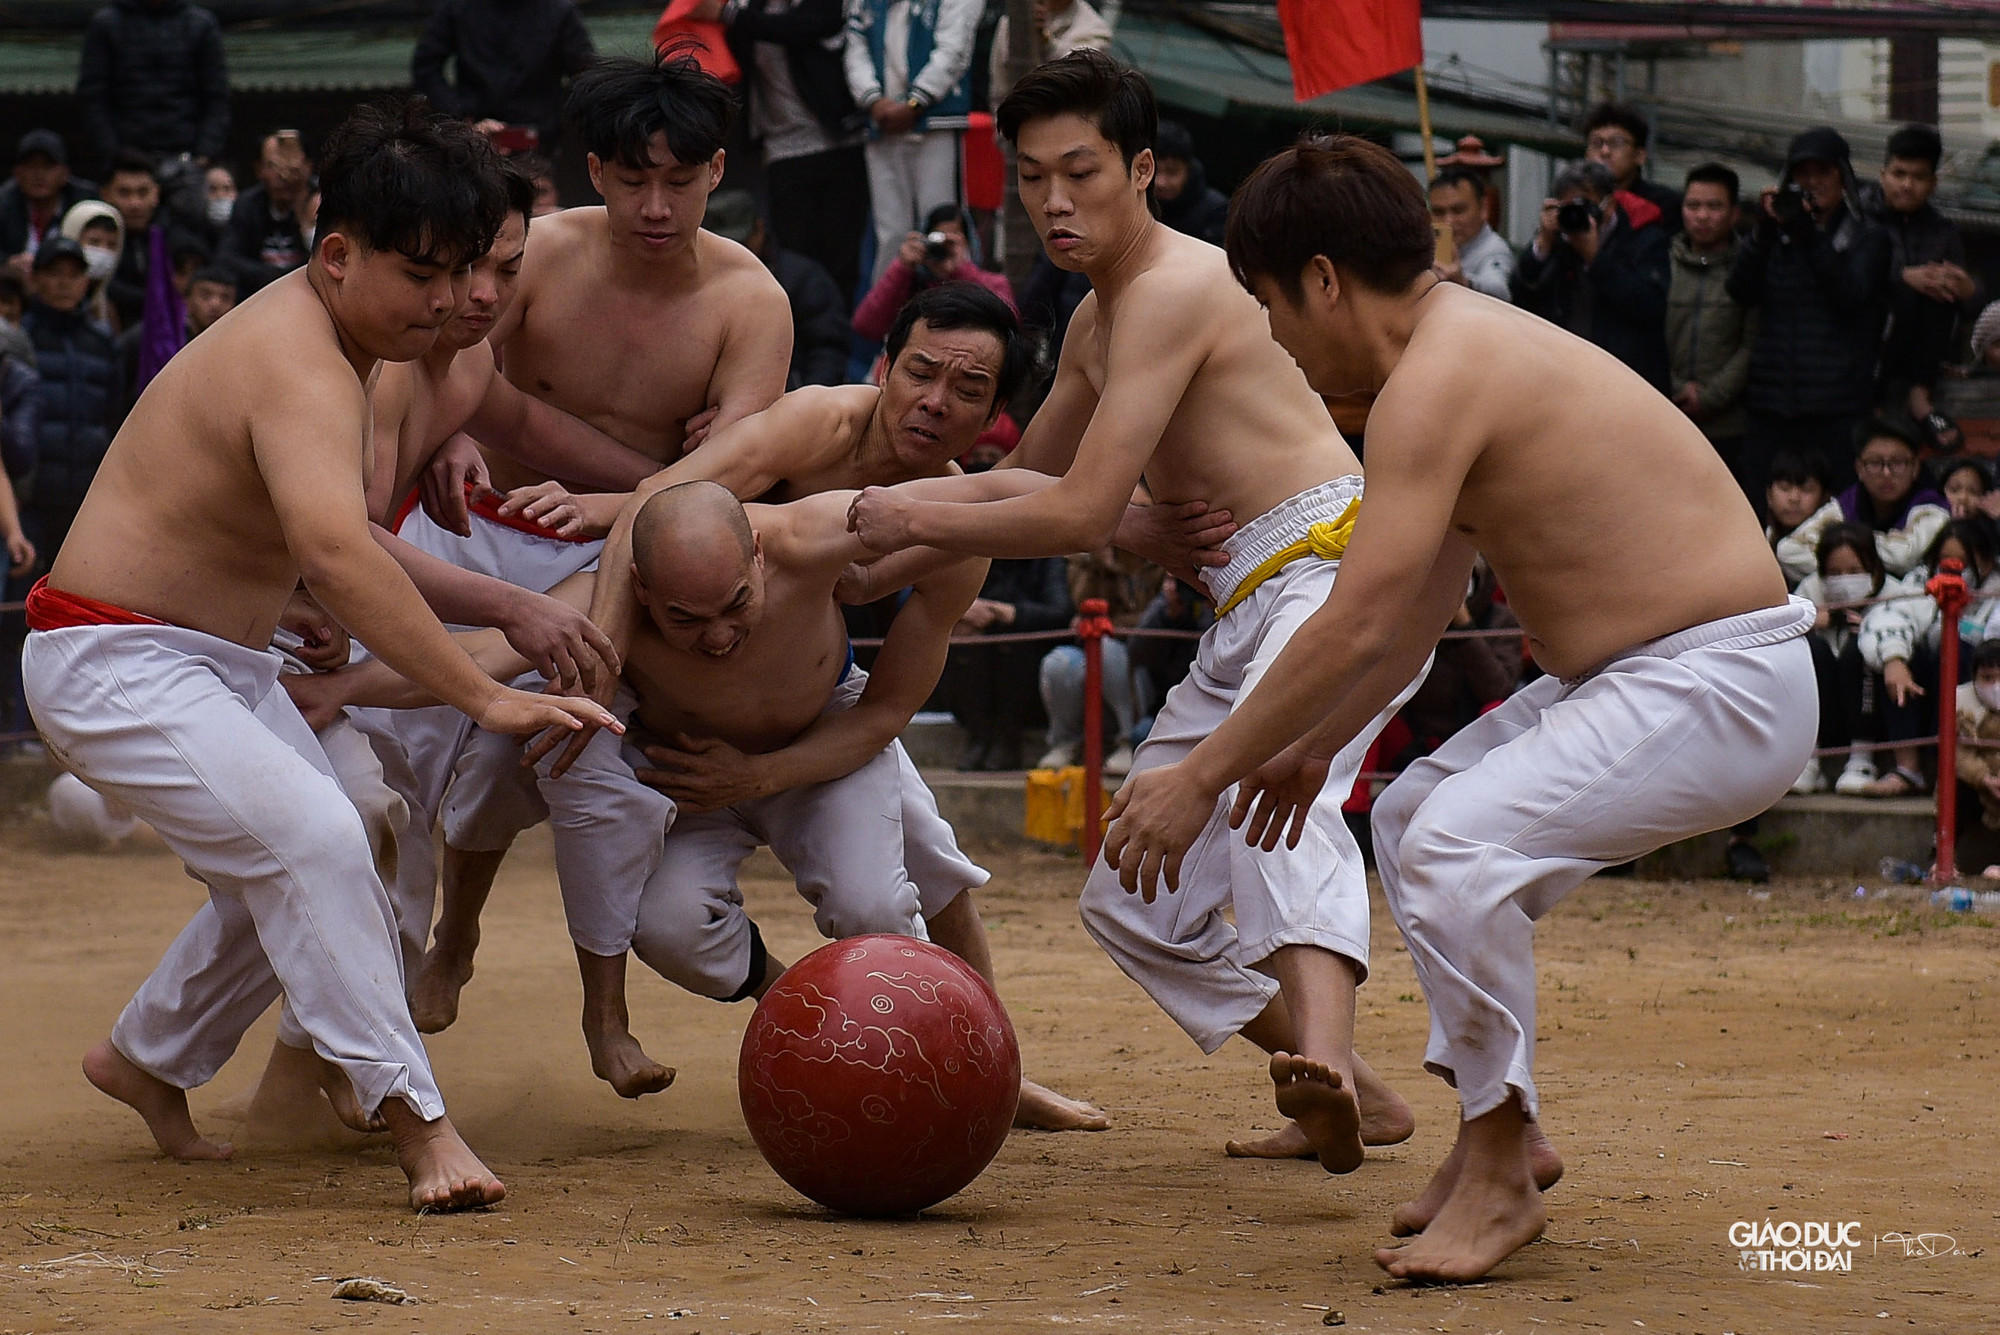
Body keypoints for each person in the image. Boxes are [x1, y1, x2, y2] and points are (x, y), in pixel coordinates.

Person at [1097, 132, 1813, 1283]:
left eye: (1273, 309)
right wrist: (1308, 749)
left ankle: (1491, 1157)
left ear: (1323, 280)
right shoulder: (1441, 365)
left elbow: (1353, 613)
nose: (1276, 342)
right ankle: (1508, 1136)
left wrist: (1203, 773)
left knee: (1453, 840)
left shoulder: (1441, 372)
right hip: (1650, 679)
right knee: (1408, 813)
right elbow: (1414, 614)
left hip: (1718, 681)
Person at [17, 98, 616, 1211]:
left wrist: (504, 607)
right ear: (337, 255)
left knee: (361, 818)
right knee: (313, 836)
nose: (449, 304)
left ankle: (146, 1056)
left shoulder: (344, 350)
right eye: (422, 276)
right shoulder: (297, 358)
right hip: (110, 658)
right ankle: (419, 1123)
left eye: (466, 275)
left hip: (219, 663)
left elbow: (340, 538)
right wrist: (484, 694)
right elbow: (338, 558)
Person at [844, 52, 1423, 1172]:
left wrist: (900, 522)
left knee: (1272, 792)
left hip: (1332, 572)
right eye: (1029, 180)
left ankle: (1331, 1058)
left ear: (1142, 169)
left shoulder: (1172, 288)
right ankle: (1361, 1096)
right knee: (1129, 901)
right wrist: (880, 546)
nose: (1055, 203)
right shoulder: (1097, 325)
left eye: (1081, 172)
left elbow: (1071, 512)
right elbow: (1024, 485)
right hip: (1243, 604)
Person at [378, 45, 792, 1035]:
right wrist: (457, 435)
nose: (656, 206)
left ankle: (580, 999)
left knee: (549, 759)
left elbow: (744, 467)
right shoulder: (534, 251)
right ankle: (445, 944)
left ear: (717, 174)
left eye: (680, 181)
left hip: (621, 562)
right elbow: (443, 360)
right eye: (634, 179)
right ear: (596, 171)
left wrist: (631, 502)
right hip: (478, 534)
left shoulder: (751, 302)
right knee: (412, 770)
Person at [1729, 126, 1890, 499]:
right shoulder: (1775, 236)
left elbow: (1852, 294)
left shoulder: (1867, 236)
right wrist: (1762, 234)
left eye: (1823, 173)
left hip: (1836, 406)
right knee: (1758, 508)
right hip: (1770, 403)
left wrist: (1808, 234)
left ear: (1842, 178)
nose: (1812, 183)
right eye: (1803, 174)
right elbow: (1740, 290)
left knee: (1835, 512)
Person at [699, 0, 870, 305]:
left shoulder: (814, 9)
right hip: (782, 150)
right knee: (794, 256)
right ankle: (797, 340)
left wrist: (731, 16)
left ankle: (838, 342)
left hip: (837, 144)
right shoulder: (750, 9)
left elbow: (804, 26)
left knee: (842, 258)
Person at [1857, 518, 2000, 797]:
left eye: (1963, 560)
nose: (1953, 566)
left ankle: (1944, 771)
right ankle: (1907, 769)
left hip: (1974, 692)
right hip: (1924, 687)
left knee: (1959, 652)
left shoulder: (1994, 588)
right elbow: (1888, 617)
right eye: (1945, 558)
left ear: (1984, 561)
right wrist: (1894, 659)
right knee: (1898, 658)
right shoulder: (1920, 582)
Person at [845, 0, 982, 283]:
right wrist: (873, 100)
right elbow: (854, 48)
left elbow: (955, 49)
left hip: (937, 124)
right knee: (891, 236)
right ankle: (891, 322)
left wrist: (916, 102)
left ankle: (959, 312)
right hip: (881, 125)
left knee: (945, 228)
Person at [1510, 159, 1672, 391]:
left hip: (1623, 379)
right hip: (1562, 373)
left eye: (1585, 205)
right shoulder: (1557, 236)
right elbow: (1520, 297)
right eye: (1568, 207)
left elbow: (1649, 306)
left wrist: (1595, 259)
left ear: (1609, 205)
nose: (1577, 215)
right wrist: (1542, 246)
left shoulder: (1645, 238)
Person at [1861, 123, 1981, 428]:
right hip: (1865, 348)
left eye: (1918, 177)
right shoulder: (1858, 217)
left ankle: (1920, 394)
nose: (1907, 185)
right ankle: (1873, 398)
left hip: (1921, 353)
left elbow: (1970, 306)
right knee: (1900, 292)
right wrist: (1900, 277)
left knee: (1940, 289)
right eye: (1899, 174)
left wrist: (1969, 290)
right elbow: (1845, 279)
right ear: (1883, 174)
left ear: (1933, 183)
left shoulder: (1942, 231)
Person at [20, 238, 123, 566]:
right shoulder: (20, 338)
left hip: (86, 501)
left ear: (86, 282)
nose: (64, 283)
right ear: (34, 279)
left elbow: (116, 416)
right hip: (29, 501)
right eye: (54, 273)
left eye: (73, 274)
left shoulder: (102, 342)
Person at [1795, 522, 1906, 795]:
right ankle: (1807, 759)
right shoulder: (1811, 591)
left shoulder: (1894, 592)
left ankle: (1862, 760)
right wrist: (1812, 621)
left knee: (1861, 650)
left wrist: (1869, 629)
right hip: (1824, 706)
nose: (1844, 579)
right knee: (1808, 649)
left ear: (1873, 567)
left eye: (1854, 571)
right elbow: (1779, 626)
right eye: (1834, 573)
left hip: (1870, 709)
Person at [1667, 163, 1757, 496]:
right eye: (1693, 206)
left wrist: (1711, 397)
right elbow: (1648, 335)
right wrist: (1674, 388)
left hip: (1730, 425)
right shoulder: (1663, 264)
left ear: (1733, 213)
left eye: (1714, 206)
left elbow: (1751, 342)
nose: (1702, 216)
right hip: (1668, 414)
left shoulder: (1747, 268)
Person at [1775, 415, 1948, 586]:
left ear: (1915, 467)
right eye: (1875, 463)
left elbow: (1903, 558)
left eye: (1897, 463)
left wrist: (1842, 548)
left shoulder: (1931, 508)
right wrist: (1853, 569)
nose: (1886, 473)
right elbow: (1789, 551)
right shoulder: (1846, 504)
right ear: (1859, 468)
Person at [702, 189, 848, 388]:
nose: (736, 250)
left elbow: (828, 348)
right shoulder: (700, 283)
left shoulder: (802, 277)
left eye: (742, 241)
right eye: (726, 243)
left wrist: (807, 403)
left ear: (759, 229)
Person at [411, 0, 596, 156]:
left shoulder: (558, 11)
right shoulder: (458, 8)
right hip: (473, 134)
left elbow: (586, 73)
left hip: (538, 137)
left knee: (540, 194)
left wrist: (554, 119)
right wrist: (459, 117)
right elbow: (426, 66)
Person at [1038, 545, 1159, 774]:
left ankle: (1128, 741)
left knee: (1107, 650)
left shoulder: (1162, 558)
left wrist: (1114, 624)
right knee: (1058, 662)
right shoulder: (1089, 560)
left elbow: (1155, 616)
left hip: (1147, 660)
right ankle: (1066, 742)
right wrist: (1099, 566)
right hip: (1097, 649)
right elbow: (1082, 607)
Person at [945, 555, 1069, 771]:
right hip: (982, 648)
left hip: (1031, 658)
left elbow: (1060, 613)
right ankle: (980, 735)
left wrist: (1012, 613)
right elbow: (943, 598)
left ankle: (1006, 739)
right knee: (963, 640)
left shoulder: (1047, 558)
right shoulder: (977, 555)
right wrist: (962, 608)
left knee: (1011, 644)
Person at [75, 0, 229, 172]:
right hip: (125, 160)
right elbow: (92, 96)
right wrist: (112, 152)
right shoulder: (106, 24)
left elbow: (217, 96)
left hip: (186, 159)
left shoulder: (201, 24)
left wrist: (204, 154)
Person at [852, 202, 1013, 342]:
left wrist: (962, 272)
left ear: (970, 244)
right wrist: (901, 267)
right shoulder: (909, 285)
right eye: (938, 241)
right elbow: (865, 326)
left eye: (951, 242)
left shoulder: (993, 283)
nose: (942, 250)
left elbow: (1009, 325)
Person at [217, 130, 314, 299]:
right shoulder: (247, 204)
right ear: (258, 169)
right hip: (258, 295)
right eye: (273, 166)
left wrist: (302, 207)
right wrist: (272, 276)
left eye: (291, 167)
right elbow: (227, 257)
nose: (283, 176)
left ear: (307, 167)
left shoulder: (321, 200)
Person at [1, 132, 98, 277]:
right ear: (17, 173)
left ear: (65, 173)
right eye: (31, 166)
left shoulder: (87, 203)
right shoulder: (3, 203)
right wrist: (6, 263)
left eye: (48, 166)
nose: (39, 174)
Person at [989, 0, 1114, 106]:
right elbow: (999, 87)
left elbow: (1076, 72)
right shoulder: (1012, 21)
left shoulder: (1096, 29)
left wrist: (1045, 40)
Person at [1581, 101, 1678, 229]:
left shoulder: (1663, 204)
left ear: (1640, 155)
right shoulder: (1575, 200)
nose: (1605, 151)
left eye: (1616, 143)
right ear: (1586, 155)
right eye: (1596, 143)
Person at [1950, 638, 2000, 874]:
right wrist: (1983, 778)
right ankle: (1942, 856)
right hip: (1978, 784)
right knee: (1952, 786)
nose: (1996, 686)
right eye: (1988, 679)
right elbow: (1958, 753)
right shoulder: (1962, 703)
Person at [1428, 165, 1513, 300]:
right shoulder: (1428, 246)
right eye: (1438, 212)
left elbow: (1499, 290)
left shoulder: (1493, 249)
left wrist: (1464, 282)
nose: (1448, 221)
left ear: (1484, 208)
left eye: (1458, 210)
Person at [1764, 447, 1829, 568]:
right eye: (1784, 488)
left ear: (1824, 497)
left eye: (1807, 489)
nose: (1794, 498)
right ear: (1769, 496)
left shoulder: (1839, 542)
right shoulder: (1758, 544)